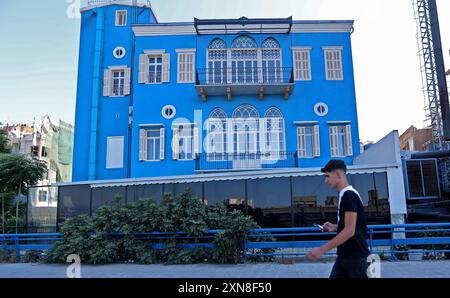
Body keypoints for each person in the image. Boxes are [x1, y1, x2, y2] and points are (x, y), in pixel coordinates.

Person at [306, 160, 370, 278]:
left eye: (327, 176)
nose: (325, 181)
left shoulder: (349, 195)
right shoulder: (344, 194)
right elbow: (353, 226)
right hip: (344, 257)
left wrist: (322, 249)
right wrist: (336, 226)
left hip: (356, 258)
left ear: (338, 175)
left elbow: (350, 231)